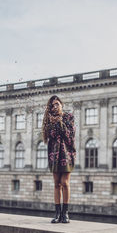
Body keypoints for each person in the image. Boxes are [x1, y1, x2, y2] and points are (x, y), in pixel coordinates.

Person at [42, 95, 76, 223]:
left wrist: (59, 122)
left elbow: (69, 136)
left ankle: (65, 213)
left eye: (57, 104)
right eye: (52, 105)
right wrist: (53, 123)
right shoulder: (49, 121)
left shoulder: (69, 117)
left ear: (61, 104)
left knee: (65, 183)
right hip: (54, 154)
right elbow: (52, 136)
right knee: (56, 184)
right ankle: (57, 214)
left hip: (67, 153)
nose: (55, 107)